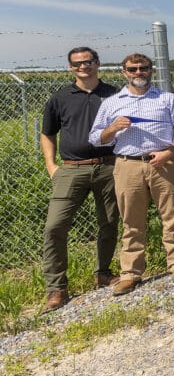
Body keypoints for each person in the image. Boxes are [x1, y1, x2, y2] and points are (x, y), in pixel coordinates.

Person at [88, 53, 174, 296]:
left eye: (143, 68)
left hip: (163, 163)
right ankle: (131, 273)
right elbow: (95, 137)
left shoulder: (167, 99)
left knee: (172, 215)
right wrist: (113, 128)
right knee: (131, 221)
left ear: (151, 71)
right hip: (128, 165)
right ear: (124, 72)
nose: (138, 73)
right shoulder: (112, 103)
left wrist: (169, 152)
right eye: (133, 69)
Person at [39, 47, 121, 312]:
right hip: (71, 169)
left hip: (109, 166)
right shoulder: (61, 97)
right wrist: (51, 166)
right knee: (55, 226)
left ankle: (103, 273)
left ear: (97, 64)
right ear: (70, 68)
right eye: (77, 64)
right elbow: (48, 132)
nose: (83, 66)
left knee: (109, 222)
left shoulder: (114, 94)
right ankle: (56, 288)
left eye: (88, 62)